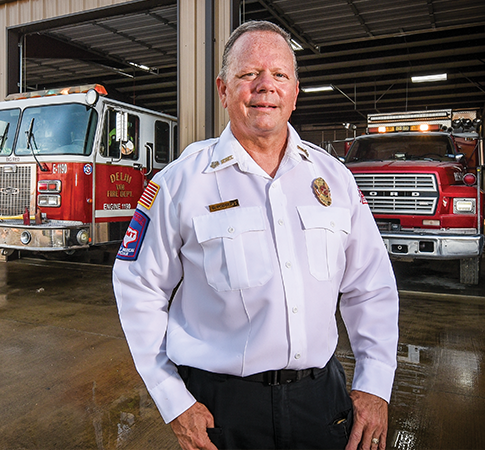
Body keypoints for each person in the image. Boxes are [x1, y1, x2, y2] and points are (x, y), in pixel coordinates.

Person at [112, 20, 399, 450]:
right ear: (223, 89)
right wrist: (173, 402)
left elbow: (370, 287)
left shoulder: (334, 179)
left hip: (321, 404)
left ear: (295, 92)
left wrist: (375, 382)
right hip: (220, 410)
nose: (266, 86)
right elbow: (138, 289)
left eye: (279, 75)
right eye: (249, 74)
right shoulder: (180, 183)